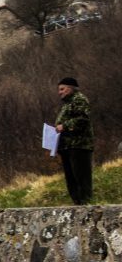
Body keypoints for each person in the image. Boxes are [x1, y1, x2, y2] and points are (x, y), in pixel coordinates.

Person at [55, 77, 94, 205]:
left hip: (79, 146)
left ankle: (86, 203)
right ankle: (77, 203)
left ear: (70, 88)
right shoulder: (67, 104)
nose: (59, 92)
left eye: (62, 89)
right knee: (71, 178)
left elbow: (83, 119)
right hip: (67, 147)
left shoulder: (79, 100)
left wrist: (64, 126)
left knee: (81, 176)